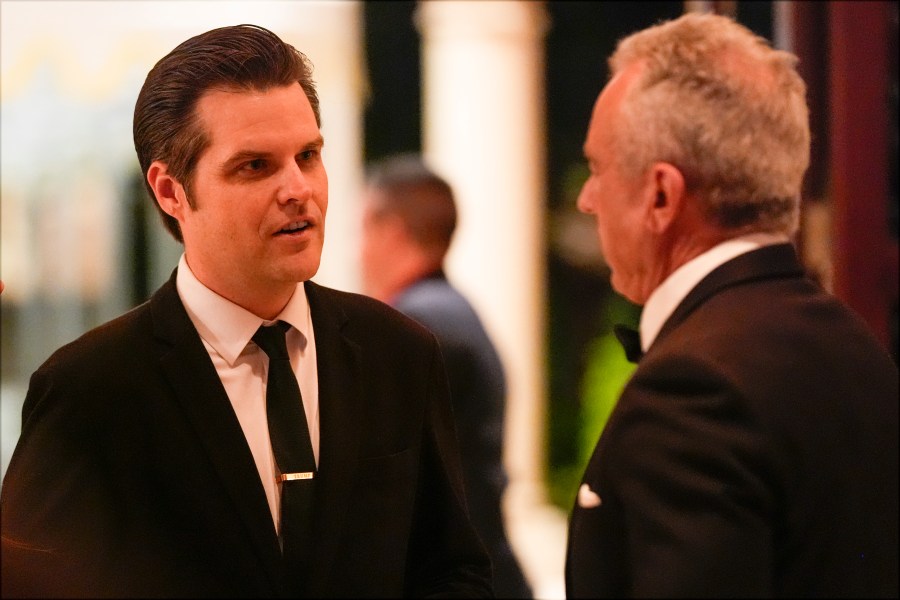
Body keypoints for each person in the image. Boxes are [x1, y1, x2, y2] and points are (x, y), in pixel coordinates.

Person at [0, 25, 492, 598]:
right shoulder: (89, 389)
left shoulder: (400, 352)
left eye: (307, 156)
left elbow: (451, 570)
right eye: (255, 166)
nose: (297, 189)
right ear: (170, 191)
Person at [565, 12, 898, 598]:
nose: (589, 200)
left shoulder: (694, 388)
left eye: (598, 169)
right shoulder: (854, 343)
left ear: (661, 196)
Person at [359, 155, 533, 599]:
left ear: (390, 232)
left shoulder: (417, 326)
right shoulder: (452, 312)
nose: (357, 250)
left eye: (362, 231)